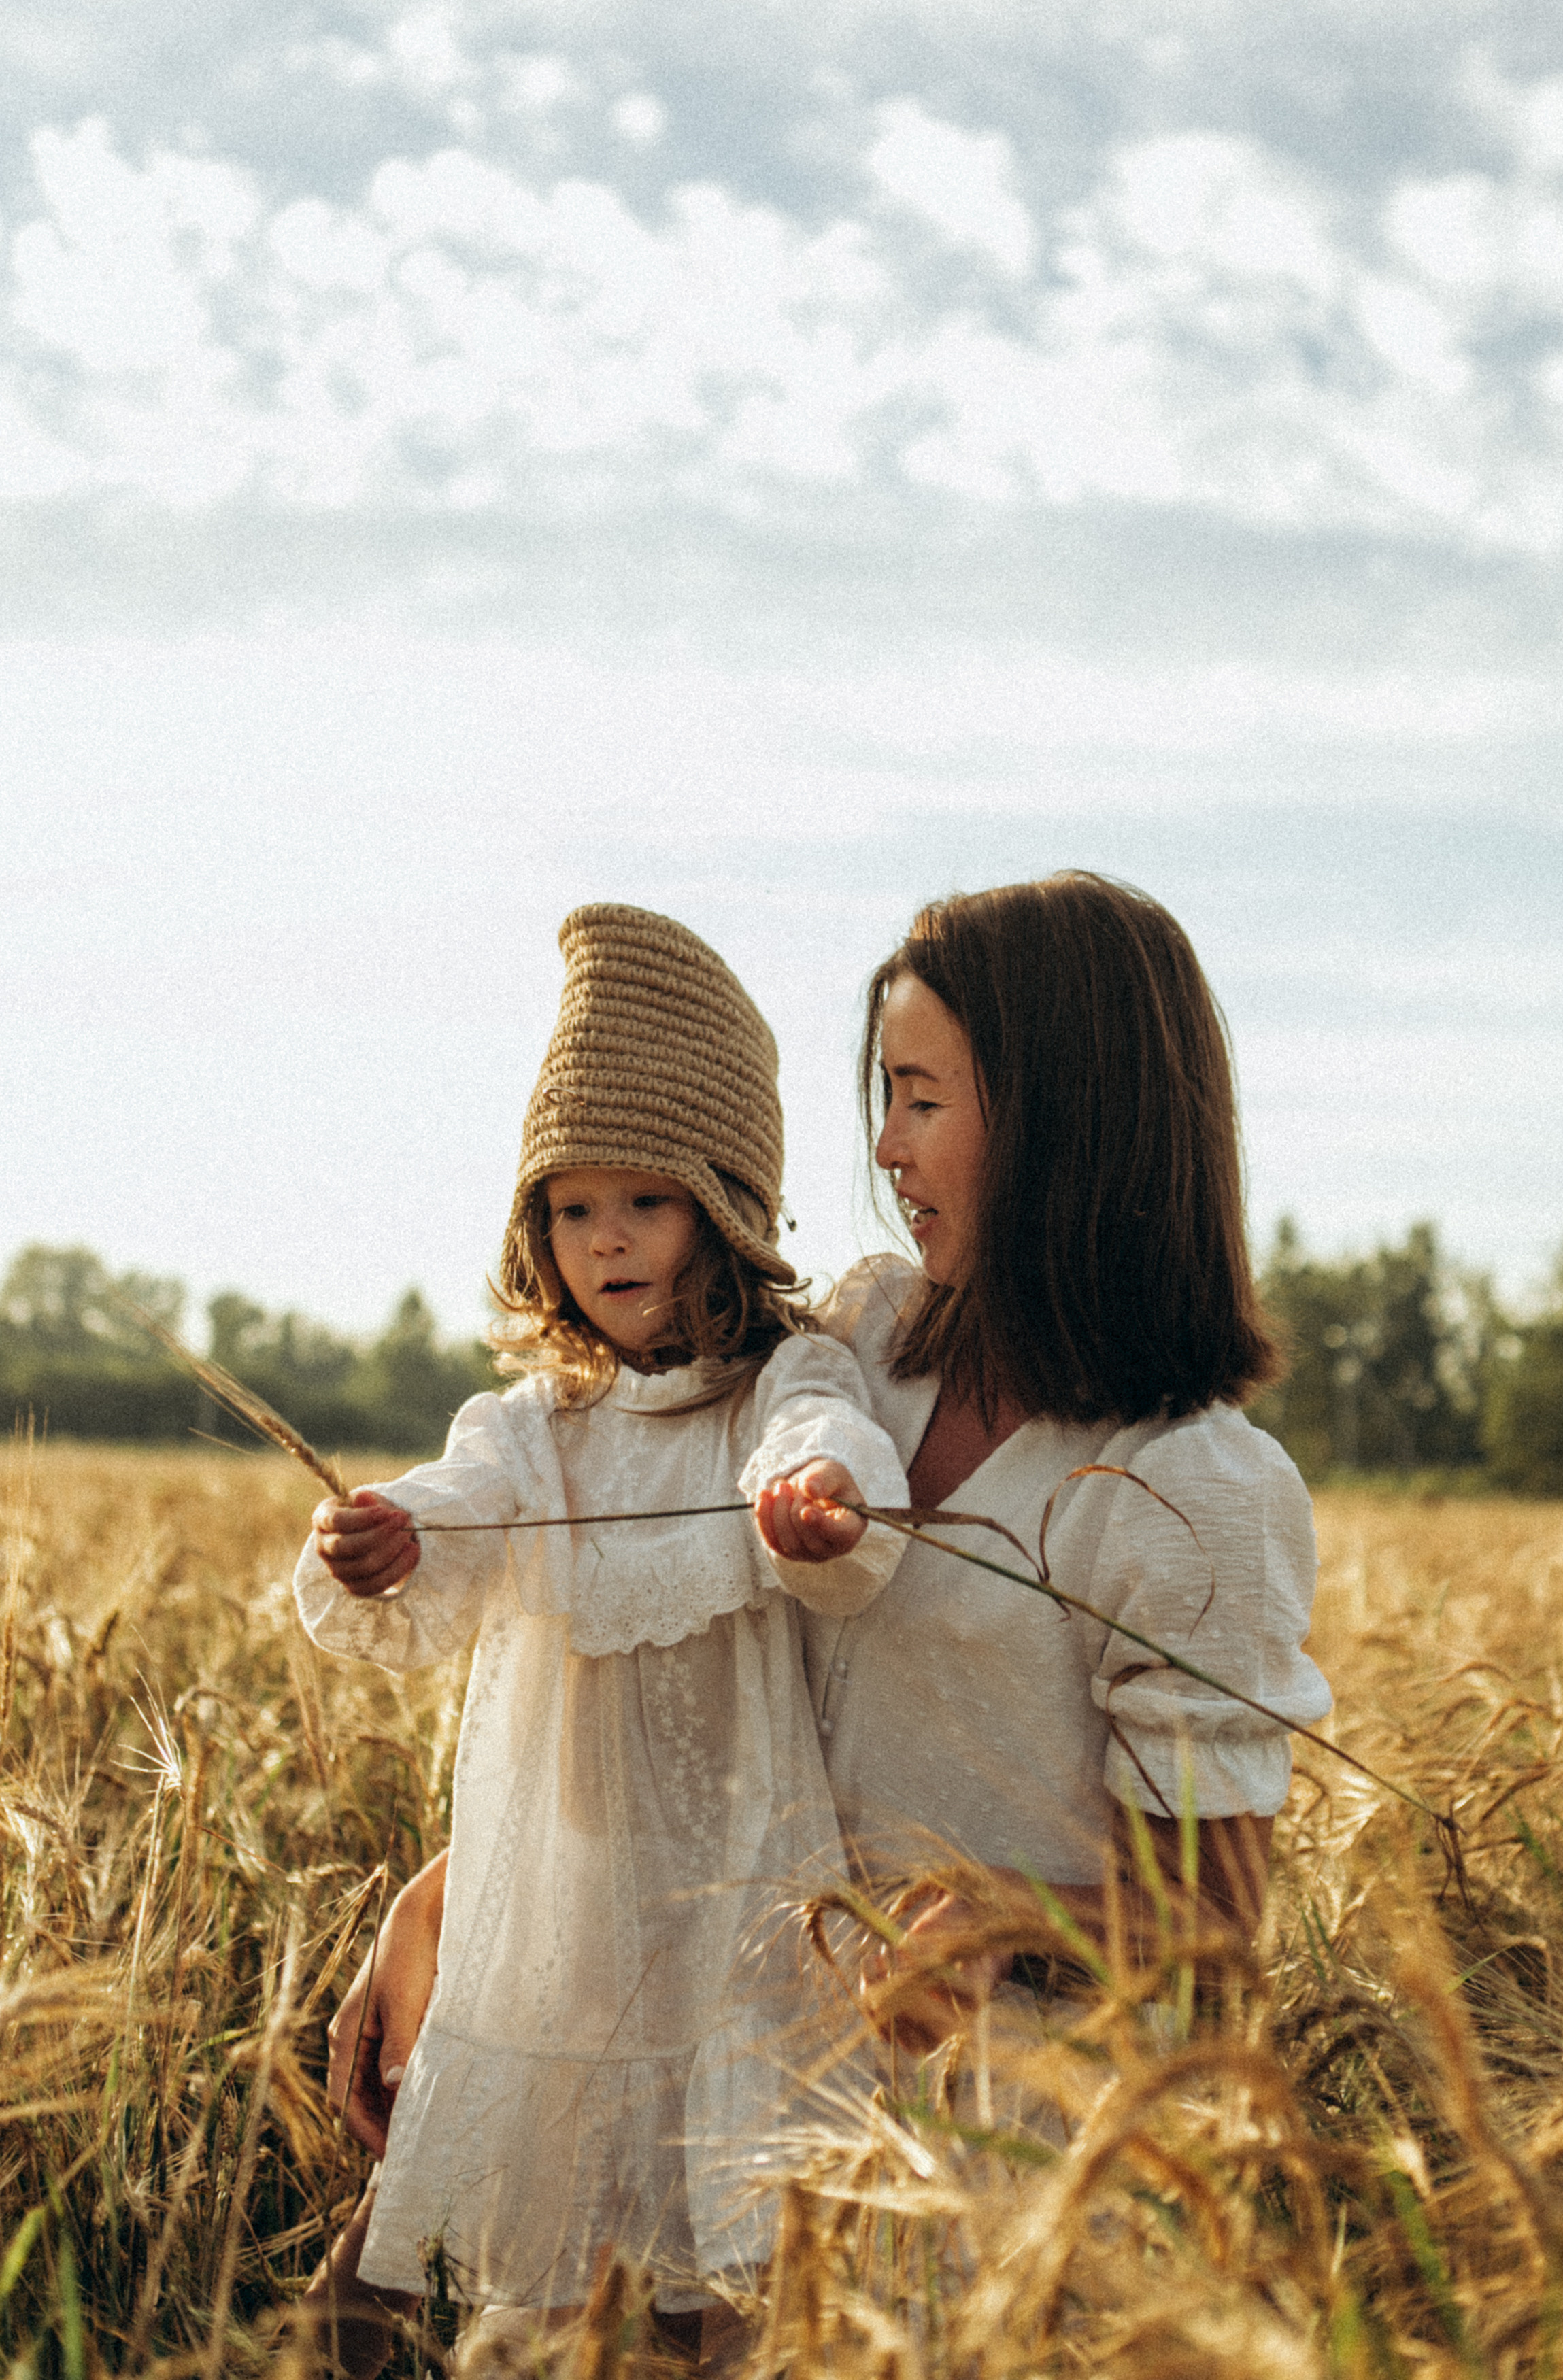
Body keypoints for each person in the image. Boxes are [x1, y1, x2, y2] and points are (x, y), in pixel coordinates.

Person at [320, 872, 1331, 2251]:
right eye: (885, 1095)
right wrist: (448, 1896)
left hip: (1009, 2181)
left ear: (1061, 1117)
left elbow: (1216, 1920)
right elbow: (690, 1688)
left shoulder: (1192, 1486)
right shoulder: (860, 1348)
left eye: (924, 1097)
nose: (887, 1147)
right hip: (749, 2113)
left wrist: (988, 1919)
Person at [292, 904, 909, 2363]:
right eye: (573, 1207)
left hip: (739, 1920)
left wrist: (823, 1499)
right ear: (536, 1229)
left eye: (648, 1200)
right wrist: (385, 1542)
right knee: (548, 2259)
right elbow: (451, 1512)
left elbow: (825, 1441)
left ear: (727, 1208)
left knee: (727, 2270)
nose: (608, 1237)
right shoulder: (532, 1431)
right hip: (558, 1924)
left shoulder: (780, 1390)